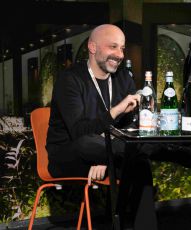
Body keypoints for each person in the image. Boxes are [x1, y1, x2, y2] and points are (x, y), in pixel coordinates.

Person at [46, 24, 157, 230]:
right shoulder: (70, 79)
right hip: (68, 154)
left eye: (122, 48)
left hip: (108, 151)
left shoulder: (124, 78)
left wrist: (105, 156)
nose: (119, 54)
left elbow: (133, 124)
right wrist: (115, 111)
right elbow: (79, 133)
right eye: (113, 47)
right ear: (92, 47)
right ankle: (167, 150)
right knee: (87, 142)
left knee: (140, 163)